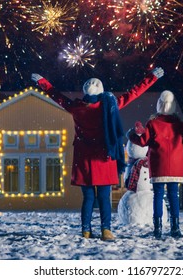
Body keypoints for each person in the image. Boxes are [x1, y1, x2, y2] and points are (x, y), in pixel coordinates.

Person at [31, 67, 164, 241]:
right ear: (101, 90)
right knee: (103, 197)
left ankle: (86, 230)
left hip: (83, 157)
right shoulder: (109, 105)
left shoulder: (76, 107)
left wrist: (43, 82)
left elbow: (57, 96)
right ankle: (106, 230)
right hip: (103, 157)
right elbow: (133, 93)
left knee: (87, 198)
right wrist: (151, 77)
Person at [127, 90, 183, 238]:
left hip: (158, 164)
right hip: (175, 165)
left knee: (158, 195)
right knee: (174, 195)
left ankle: (158, 228)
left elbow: (143, 142)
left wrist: (131, 135)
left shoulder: (153, 123)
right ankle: (175, 227)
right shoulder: (179, 125)